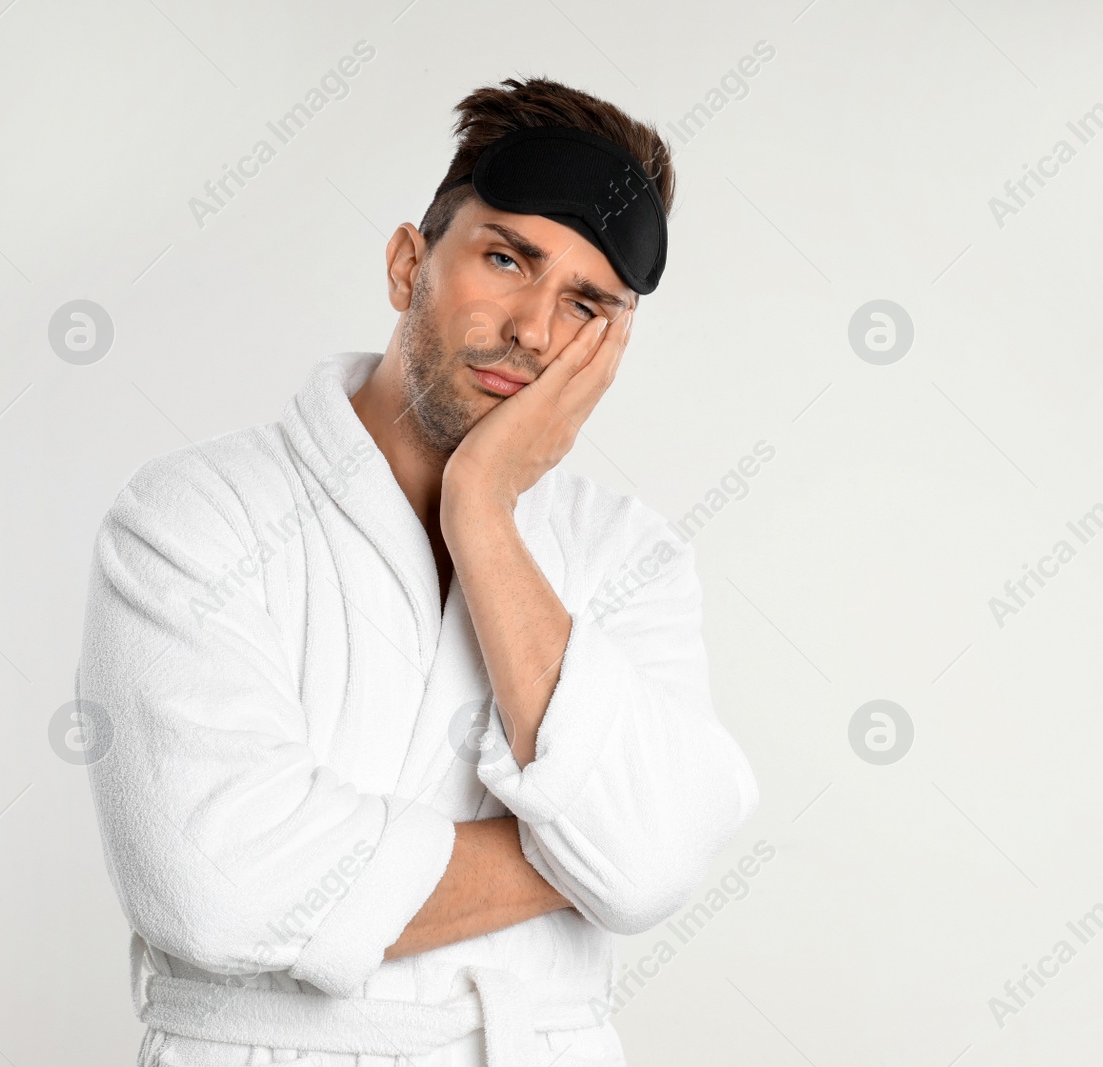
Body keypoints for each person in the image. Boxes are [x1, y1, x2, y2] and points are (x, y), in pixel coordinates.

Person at [77, 76, 758, 1067]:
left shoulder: (631, 554)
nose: (532, 328)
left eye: (585, 303)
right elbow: (213, 886)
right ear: (407, 262)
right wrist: (585, 850)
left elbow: (655, 864)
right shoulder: (193, 515)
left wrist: (480, 511)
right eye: (504, 258)